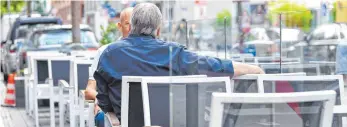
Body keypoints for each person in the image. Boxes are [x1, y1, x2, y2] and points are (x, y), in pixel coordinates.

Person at [94, 2, 264, 123]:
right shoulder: (174, 53)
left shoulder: (109, 54)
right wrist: (252, 68)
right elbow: (214, 66)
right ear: (158, 29)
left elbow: (104, 102)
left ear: (130, 26)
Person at [84, 7, 133, 127]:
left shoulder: (147, 52)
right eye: (128, 24)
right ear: (119, 26)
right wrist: (101, 99)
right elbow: (89, 91)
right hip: (113, 111)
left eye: (135, 24)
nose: (132, 29)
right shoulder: (105, 52)